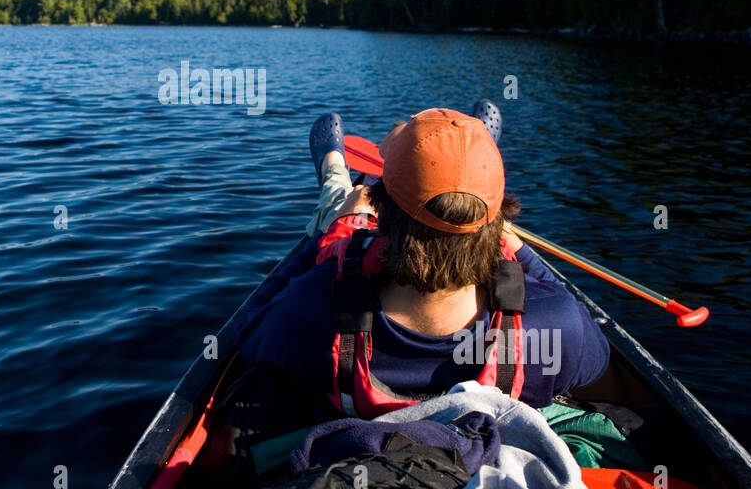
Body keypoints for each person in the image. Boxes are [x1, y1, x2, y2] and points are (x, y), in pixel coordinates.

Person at [233, 103, 609, 413]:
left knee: (338, 207)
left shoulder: (313, 308)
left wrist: (329, 235)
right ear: (497, 220)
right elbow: (594, 347)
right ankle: (473, 177)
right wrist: (518, 250)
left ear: (381, 214)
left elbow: (249, 326)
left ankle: (334, 172)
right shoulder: (556, 324)